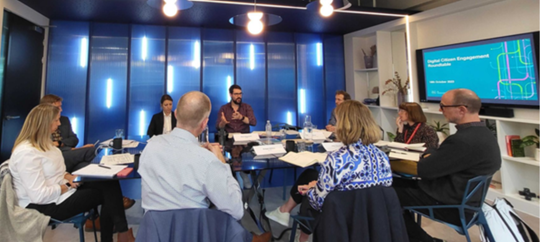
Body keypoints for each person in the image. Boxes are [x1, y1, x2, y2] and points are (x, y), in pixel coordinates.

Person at [138, 91, 270, 242]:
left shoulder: (151, 147)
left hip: (155, 232)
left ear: (175, 114)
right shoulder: (207, 160)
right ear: (204, 123)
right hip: (193, 232)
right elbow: (237, 210)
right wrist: (221, 162)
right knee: (227, 215)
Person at [267, 100, 394, 242]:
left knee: (309, 198)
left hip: (340, 223)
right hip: (374, 224)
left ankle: (299, 234)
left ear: (345, 125)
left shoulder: (336, 160)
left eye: (338, 122)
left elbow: (317, 202)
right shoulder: (382, 157)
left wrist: (311, 189)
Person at [8, 104, 135, 242]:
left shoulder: (47, 146)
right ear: (45, 123)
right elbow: (39, 196)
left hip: (60, 194)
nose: (59, 123)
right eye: (56, 120)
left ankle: (119, 234)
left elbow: (59, 172)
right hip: (45, 206)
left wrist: (69, 177)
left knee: (108, 182)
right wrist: (68, 186)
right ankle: (120, 234)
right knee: (108, 193)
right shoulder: (26, 153)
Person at [393, 89, 501, 242]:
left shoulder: (463, 141)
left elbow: (425, 170)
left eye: (443, 106)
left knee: (383, 194)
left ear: (461, 109)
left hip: (448, 204)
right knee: (392, 186)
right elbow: (436, 159)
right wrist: (432, 155)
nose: (440, 110)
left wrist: (429, 155)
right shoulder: (484, 135)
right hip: (463, 200)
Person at [40, 94, 135, 211]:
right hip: (59, 158)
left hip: (68, 153)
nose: (61, 110)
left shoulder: (64, 120)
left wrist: (61, 144)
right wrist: (71, 149)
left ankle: (96, 218)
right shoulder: (40, 126)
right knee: (90, 151)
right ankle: (114, 173)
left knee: (91, 171)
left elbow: (74, 139)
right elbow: (48, 148)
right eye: (58, 107)